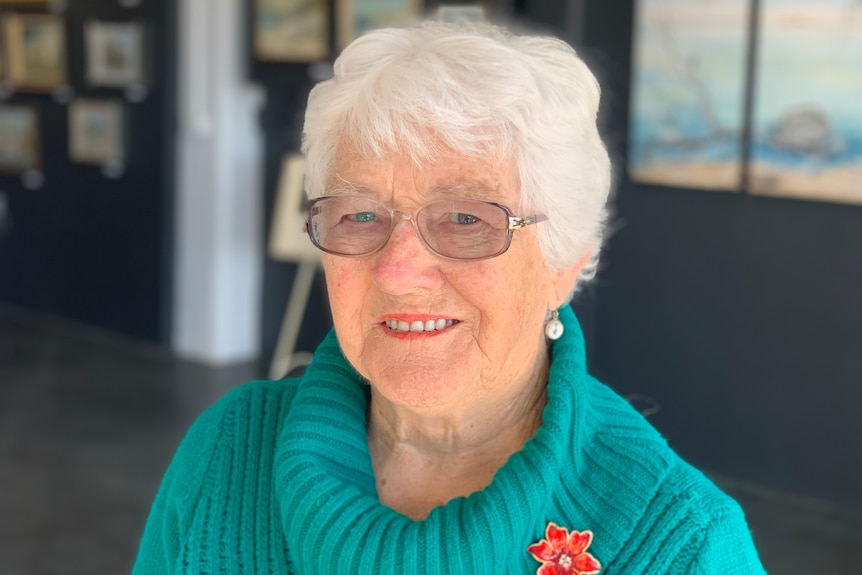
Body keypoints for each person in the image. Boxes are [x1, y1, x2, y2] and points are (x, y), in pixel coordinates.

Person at [134, 20, 765, 574]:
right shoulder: (230, 452)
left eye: (466, 219)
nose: (400, 272)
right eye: (359, 216)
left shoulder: (681, 545)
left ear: (564, 265)